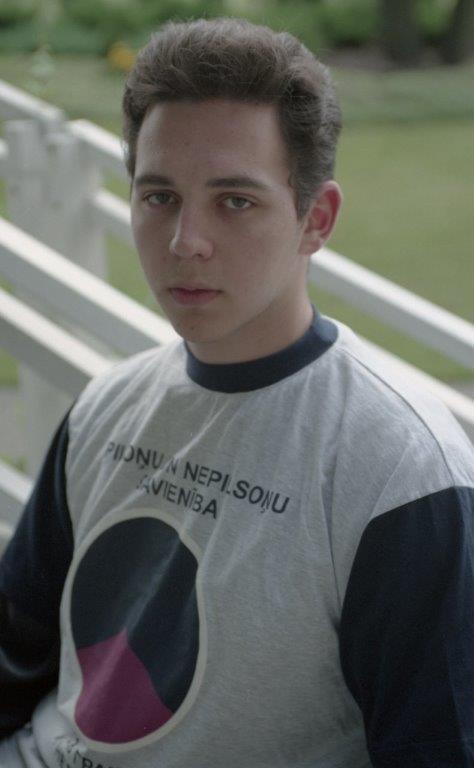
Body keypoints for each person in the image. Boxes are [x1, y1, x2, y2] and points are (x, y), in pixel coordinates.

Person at [0, 16, 473, 768]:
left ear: (316, 220)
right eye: (160, 196)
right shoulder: (106, 404)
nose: (185, 241)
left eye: (235, 201)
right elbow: (13, 653)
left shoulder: (399, 470)